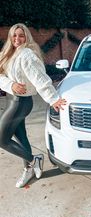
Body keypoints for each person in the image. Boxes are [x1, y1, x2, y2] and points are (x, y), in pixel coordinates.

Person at [0, 23, 66, 188]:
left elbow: (40, 78)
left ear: (27, 37)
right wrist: (10, 84)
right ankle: (29, 168)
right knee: (21, 138)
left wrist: (53, 99)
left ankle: (33, 159)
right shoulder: (9, 53)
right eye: (14, 35)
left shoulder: (27, 55)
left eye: (21, 35)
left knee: (2, 139)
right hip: (11, 100)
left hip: (20, 103)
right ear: (10, 37)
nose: (17, 39)